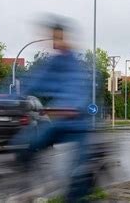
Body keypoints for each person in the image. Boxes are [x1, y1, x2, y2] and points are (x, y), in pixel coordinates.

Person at [10, 15, 94, 202]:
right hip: (61, 123)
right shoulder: (53, 63)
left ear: (67, 38)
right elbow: (33, 82)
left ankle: (78, 194)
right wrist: (9, 97)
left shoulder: (76, 64)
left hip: (78, 125)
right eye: (54, 38)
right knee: (26, 146)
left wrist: (73, 107)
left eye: (59, 38)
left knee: (76, 181)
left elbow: (79, 90)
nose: (56, 43)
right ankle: (27, 187)